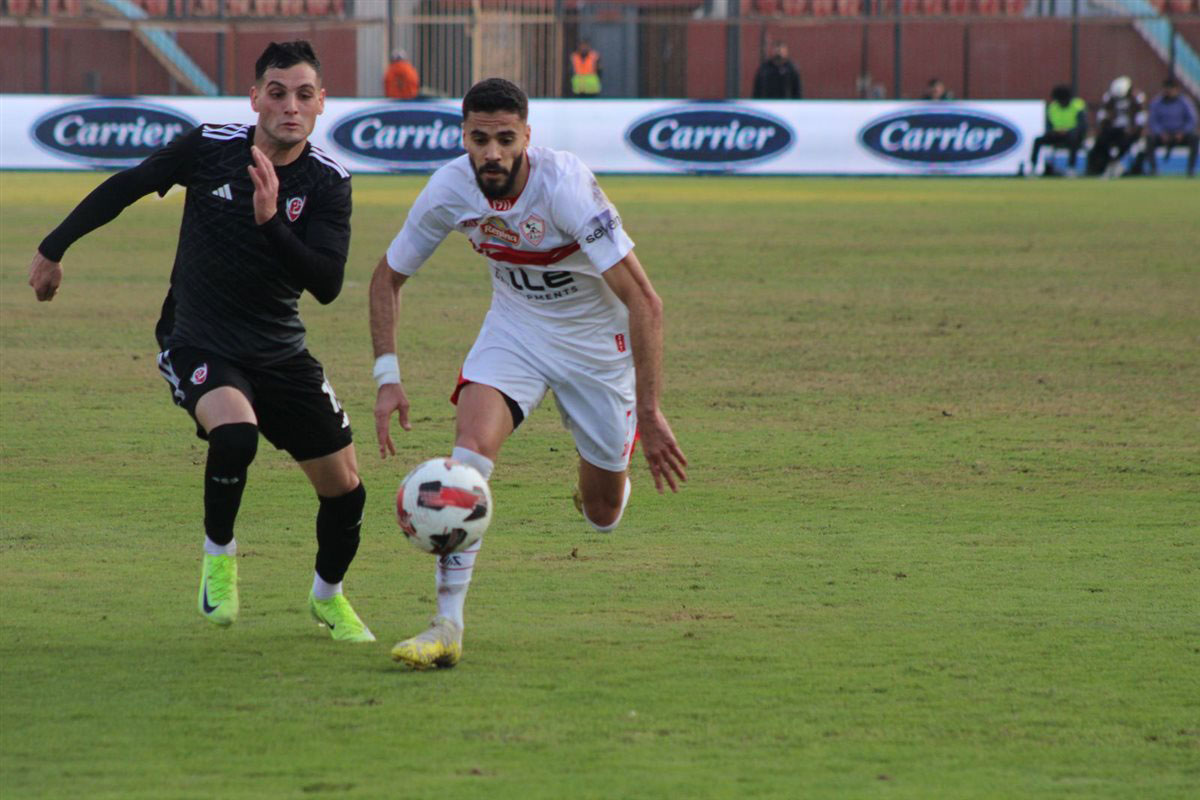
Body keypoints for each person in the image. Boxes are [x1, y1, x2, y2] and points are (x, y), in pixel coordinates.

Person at [27, 41, 375, 643]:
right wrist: (53, 247)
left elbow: (326, 285)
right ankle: (219, 556)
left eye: (303, 95)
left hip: (280, 351)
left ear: (321, 104)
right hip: (198, 338)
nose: (289, 106)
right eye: (276, 92)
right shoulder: (211, 146)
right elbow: (131, 184)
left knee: (345, 490)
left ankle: (328, 598)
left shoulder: (327, 183)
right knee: (234, 435)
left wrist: (271, 221)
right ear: (254, 98)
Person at [368, 78, 688, 670]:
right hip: (515, 332)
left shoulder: (564, 186)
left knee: (602, 515)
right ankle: (446, 626)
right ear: (463, 135)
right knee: (467, 460)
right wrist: (387, 375)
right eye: (479, 138)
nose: (492, 152)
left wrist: (649, 409)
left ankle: (607, 477)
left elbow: (646, 301)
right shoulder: (448, 189)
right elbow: (386, 277)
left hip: (597, 348)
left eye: (505, 139)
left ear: (526, 138)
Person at [1088, 75, 1147, 178]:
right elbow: (1102, 116)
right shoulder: (1109, 98)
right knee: (1101, 142)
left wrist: (1135, 129)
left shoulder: (1136, 99)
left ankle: (1121, 166)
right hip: (1113, 130)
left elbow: (1141, 118)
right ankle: (1101, 167)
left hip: (1130, 131)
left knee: (1127, 143)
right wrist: (1103, 126)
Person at [1140, 77, 1198, 177]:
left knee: (1194, 138)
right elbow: (1153, 121)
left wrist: (1183, 132)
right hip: (1163, 135)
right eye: (1166, 89)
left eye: (1171, 89)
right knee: (1149, 139)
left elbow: (1192, 119)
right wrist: (1160, 133)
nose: (1168, 92)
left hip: (1181, 134)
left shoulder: (1184, 102)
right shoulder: (1157, 103)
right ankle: (1153, 170)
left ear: (1176, 90)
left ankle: (1190, 170)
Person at [1029, 84, 1088, 176]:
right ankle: (1033, 167)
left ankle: (1071, 168)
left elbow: (1082, 125)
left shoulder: (1078, 106)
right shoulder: (1053, 107)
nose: (1061, 103)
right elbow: (1048, 126)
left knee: (1074, 139)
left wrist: (1068, 131)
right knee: (1038, 140)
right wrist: (1053, 132)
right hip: (1056, 135)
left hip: (1072, 135)